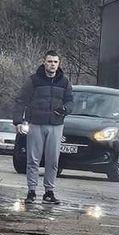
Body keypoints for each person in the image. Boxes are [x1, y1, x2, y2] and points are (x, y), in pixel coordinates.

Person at [12, 50, 73, 205]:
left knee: (53, 160)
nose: (52, 64)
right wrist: (18, 121)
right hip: (36, 123)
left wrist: (65, 109)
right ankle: (31, 191)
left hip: (56, 125)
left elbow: (71, 101)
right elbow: (21, 100)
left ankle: (49, 192)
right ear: (44, 62)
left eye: (55, 62)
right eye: (49, 61)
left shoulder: (64, 82)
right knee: (33, 159)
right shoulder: (33, 80)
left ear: (59, 63)